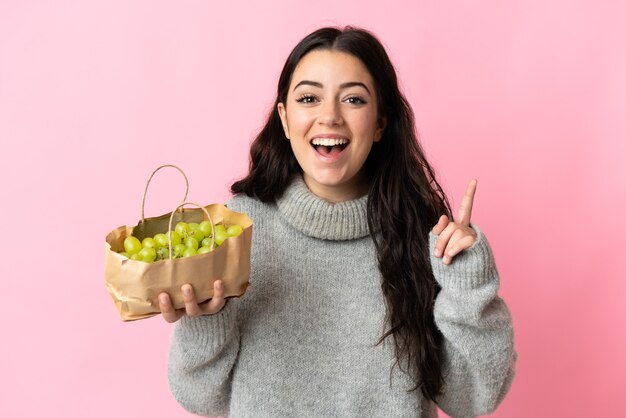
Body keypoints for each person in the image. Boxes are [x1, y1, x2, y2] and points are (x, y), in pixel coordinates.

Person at [158, 26, 516, 417]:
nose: (329, 116)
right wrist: (207, 321)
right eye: (309, 98)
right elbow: (199, 397)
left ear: (380, 123)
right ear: (284, 117)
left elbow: (472, 400)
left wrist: (468, 285)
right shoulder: (236, 230)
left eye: (353, 99)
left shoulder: (427, 237)